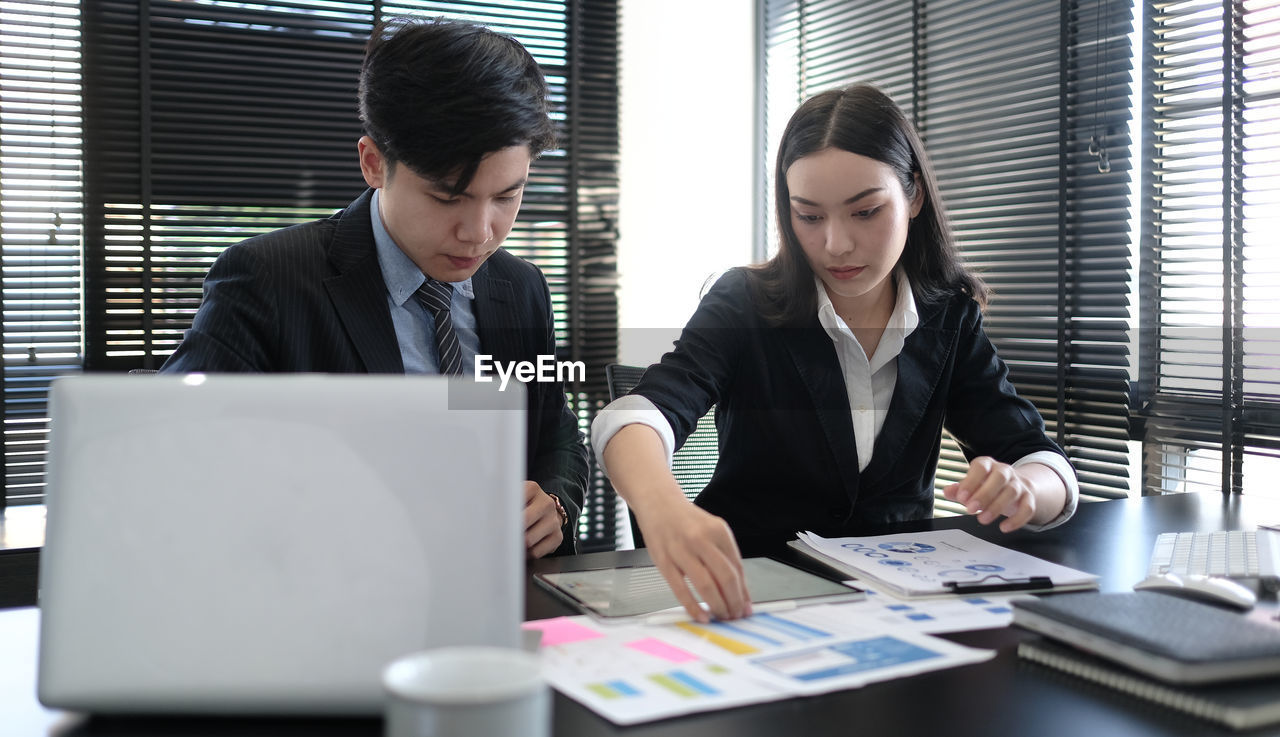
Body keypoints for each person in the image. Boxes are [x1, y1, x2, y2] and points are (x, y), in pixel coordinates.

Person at [592, 84, 1078, 620]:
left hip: (895, 603)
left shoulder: (948, 316)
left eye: (865, 212)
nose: (836, 244)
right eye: (810, 216)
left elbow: (1040, 459)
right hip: (755, 592)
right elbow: (639, 414)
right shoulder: (745, 301)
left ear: (913, 196)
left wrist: (1025, 488)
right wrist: (664, 511)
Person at [161, 17, 587, 558]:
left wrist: (554, 502)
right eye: (447, 197)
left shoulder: (519, 287)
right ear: (373, 163)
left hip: (497, 598)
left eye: (506, 196)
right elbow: (178, 459)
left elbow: (554, 429)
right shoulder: (268, 281)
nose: (480, 233)